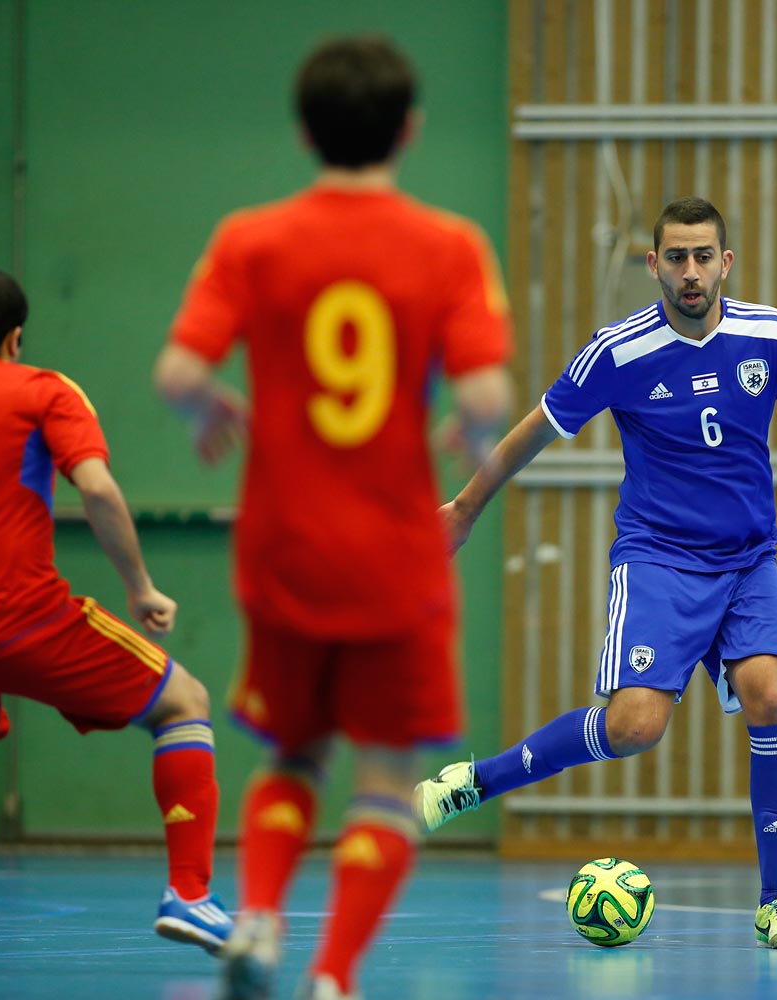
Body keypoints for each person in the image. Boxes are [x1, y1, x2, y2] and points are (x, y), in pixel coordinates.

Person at [414, 195, 777, 950]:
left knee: (773, 694)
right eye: (676, 257)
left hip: (747, 562)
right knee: (634, 727)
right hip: (659, 559)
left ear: (726, 263)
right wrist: (464, 510)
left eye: (704, 256)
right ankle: (476, 782)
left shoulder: (770, 335)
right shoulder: (618, 352)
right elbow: (532, 431)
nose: (691, 272)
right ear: (653, 264)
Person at [154, 35, 514, 1000]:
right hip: (394, 557)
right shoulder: (448, 246)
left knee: (293, 751)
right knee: (386, 781)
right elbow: (485, 398)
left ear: (306, 130)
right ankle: (331, 976)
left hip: (283, 546)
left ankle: (260, 918)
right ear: (410, 129)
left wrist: (210, 412)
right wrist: (469, 440)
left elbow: (179, 373)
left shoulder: (250, 239)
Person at [0, 266, 230, 953]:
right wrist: (140, 585)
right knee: (183, 702)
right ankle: (191, 894)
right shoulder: (41, 391)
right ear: (15, 337)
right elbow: (97, 488)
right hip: (21, 616)